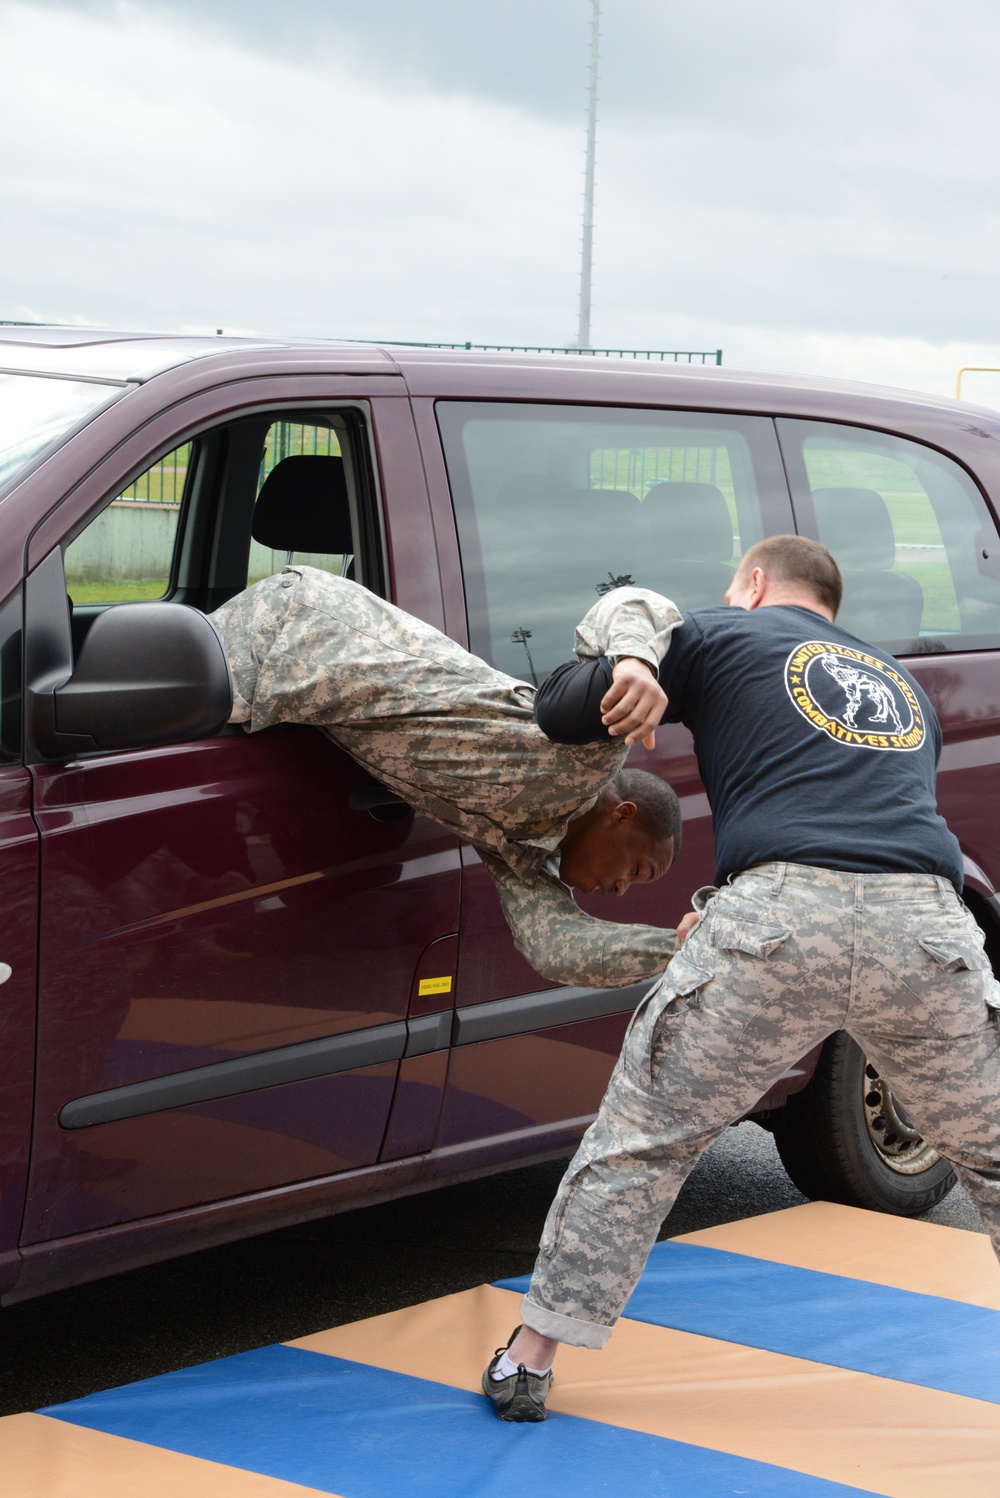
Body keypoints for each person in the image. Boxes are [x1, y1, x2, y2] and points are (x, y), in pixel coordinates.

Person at [483, 534, 1000, 1422]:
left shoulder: (722, 634)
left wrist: (631, 665)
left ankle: (531, 1359)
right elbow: (846, 805)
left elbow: (563, 710)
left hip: (777, 923)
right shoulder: (906, 690)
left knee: (641, 1143)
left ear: (754, 585)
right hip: (927, 927)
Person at [209, 565, 683, 989]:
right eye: (637, 870)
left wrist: (686, 950)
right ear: (623, 815)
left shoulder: (524, 855)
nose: (621, 889)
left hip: (272, 692)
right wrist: (636, 663)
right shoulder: (591, 754)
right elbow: (633, 601)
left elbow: (557, 947)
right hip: (293, 628)